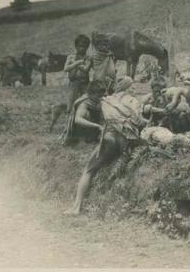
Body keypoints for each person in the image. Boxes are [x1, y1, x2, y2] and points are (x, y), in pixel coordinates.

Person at [64, 76, 146, 215]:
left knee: (88, 170)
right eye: (132, 86)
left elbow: (79, 118)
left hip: (110, 137)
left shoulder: (101, 101)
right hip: (127, 139)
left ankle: (76, 207)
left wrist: (97, 126)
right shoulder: (130, 100)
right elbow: (140, 120)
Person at [62, 80, 107, 145]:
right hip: (83, 129)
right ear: (90, 94)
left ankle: (94, 137)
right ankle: (82, 139)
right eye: (98, 96)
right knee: (86, 114)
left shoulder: (97, 100)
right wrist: (97, 126)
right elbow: (77, 120)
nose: (101, 98)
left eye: (102, 96)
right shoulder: (84, 103)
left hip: (94, 127)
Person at [64, 34, 92, 113]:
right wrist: (78, 62)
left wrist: (73, 63)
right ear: (76, 46)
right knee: (70, 107)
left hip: (84, 84)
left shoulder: (88, 58)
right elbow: (65, 69)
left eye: (84, 46)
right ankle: (70, 122)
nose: (82, 48)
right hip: (73, 84)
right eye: (80, 46)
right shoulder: (70, 57)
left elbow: (86, 69)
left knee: (85, 104)